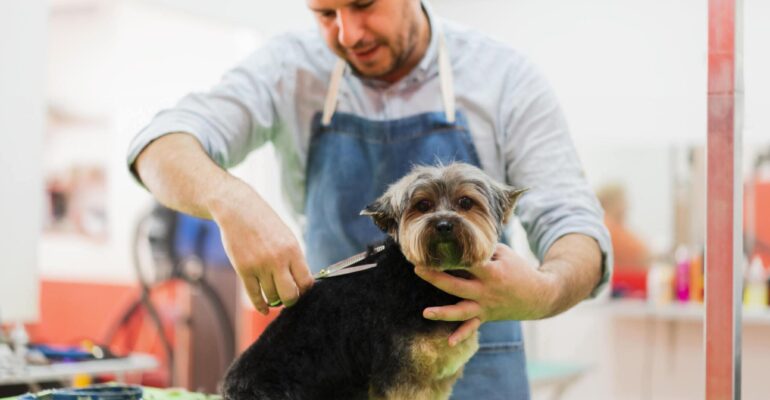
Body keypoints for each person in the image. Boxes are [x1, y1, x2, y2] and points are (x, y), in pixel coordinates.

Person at [127, 0, 612, 398]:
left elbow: (577, 228)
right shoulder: (288, 68)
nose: (349, 32)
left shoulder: (504, 77)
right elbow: (157, 144)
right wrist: (228, 200)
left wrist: (544, 291)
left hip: (479, 372)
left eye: (364, 4)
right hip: (338, 370)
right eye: (325, 14)